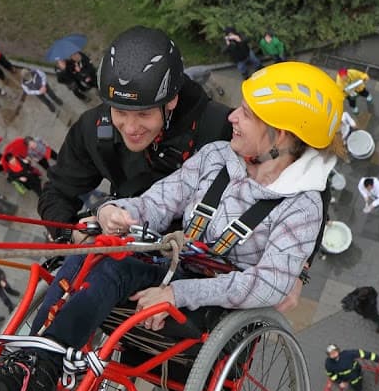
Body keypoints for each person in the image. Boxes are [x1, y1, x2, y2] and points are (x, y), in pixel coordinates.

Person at [0, 61, 344, 391]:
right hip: (175, 267)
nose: (232, 118)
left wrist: (178, 293)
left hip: (215, 306)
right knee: (98, 252)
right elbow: (160, 201)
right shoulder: (217, 157)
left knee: (112, 269)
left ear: (282, 136)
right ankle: (27, 372)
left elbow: (269, 285)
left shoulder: (301, 207)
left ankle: (34, 377)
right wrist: (118, 212)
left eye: (247, 113)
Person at [38, 26, 233, 243]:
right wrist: (70, 233)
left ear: (171, 100)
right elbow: (57, 191)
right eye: (120, 111)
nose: (130, 128)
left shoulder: (220, 129)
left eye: (143, 114)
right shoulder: (93, 128)